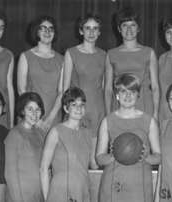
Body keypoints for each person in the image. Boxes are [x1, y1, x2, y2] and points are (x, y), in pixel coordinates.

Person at [96, 73, 161, 202]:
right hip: (114, 185)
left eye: (132, 91)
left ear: (138, 95)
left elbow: (158, 157)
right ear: (117, 95)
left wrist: (146, 157)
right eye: (123, 91)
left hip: (139, 186)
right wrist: (113, 156)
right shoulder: (108, 121)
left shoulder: (149, 121)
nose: (128, 95)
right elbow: (99, 158)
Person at [64, 14, 105, 168]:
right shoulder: (71, 53)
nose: (91, 32)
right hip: (77, 109)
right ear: (81, 31)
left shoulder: (103, 55)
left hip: (97, 110)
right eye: (88, 28)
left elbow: (104, 86)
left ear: (99, 32)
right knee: (75, 160)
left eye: (95, 29)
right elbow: (65, 88)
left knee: (94, 162)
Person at [40, 87, 94, 202]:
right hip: (60, 193)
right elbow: (44, 169)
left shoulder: (88, 134)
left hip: (82, 191)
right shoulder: (56, 131)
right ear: (66, 108)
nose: (79, 108)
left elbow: (92, 165)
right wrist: (47, 199)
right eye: (74, 104)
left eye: (82, 104)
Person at [104, 7, 159, 119]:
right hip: (120, 107)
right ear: (119, 29)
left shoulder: (149, 52)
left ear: (138, 28)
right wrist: (108, 114)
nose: (129, 29)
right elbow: (108, 89)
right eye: (125, 25)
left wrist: (156, 113)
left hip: (144, 106)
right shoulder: (111, 54)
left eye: (132, 25)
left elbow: (155, 87)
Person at [17, 15, 64, 132]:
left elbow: (61, 91)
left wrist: (50, 119)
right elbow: (21, 91)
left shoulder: (62, 59)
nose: (47, 32)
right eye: (43, 28)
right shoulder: (25, 56)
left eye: (51, 29)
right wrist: (36, 119)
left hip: (53, 118)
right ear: (36, 32)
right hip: (29, 117)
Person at [4, 92, 46, 202]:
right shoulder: (14, 135)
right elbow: (10, 174)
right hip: (20, 197)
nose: (34, 114)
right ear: (22, 111)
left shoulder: (40, 134)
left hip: (38, 195)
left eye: (37, 109)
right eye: (30, 109)